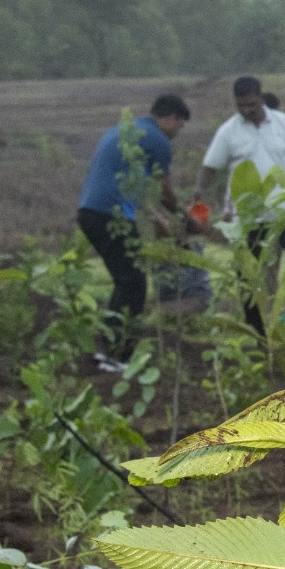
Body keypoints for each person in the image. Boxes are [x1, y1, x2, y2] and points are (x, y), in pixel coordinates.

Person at [76, 94, 189, 366]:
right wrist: (182, 217)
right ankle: (118, 356)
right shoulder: (159, 141)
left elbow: (136, 190)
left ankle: (107, 350)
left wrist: (158, 219)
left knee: (125, 280)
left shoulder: (124, 132)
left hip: (89, 212)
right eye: (180, 126)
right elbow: (164, 190)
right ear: (172, 118)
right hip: (111, 215)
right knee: (133, 283)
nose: (177, 133)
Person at [198, 74, 285, 329]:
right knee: (250, 278)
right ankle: (258, 333)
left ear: (261, 98)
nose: (246, 110)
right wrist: (198, 194)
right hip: (249, 218)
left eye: (251, 104)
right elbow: (210, 167)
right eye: (241, 105)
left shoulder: (284, 125)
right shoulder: (228, 131)